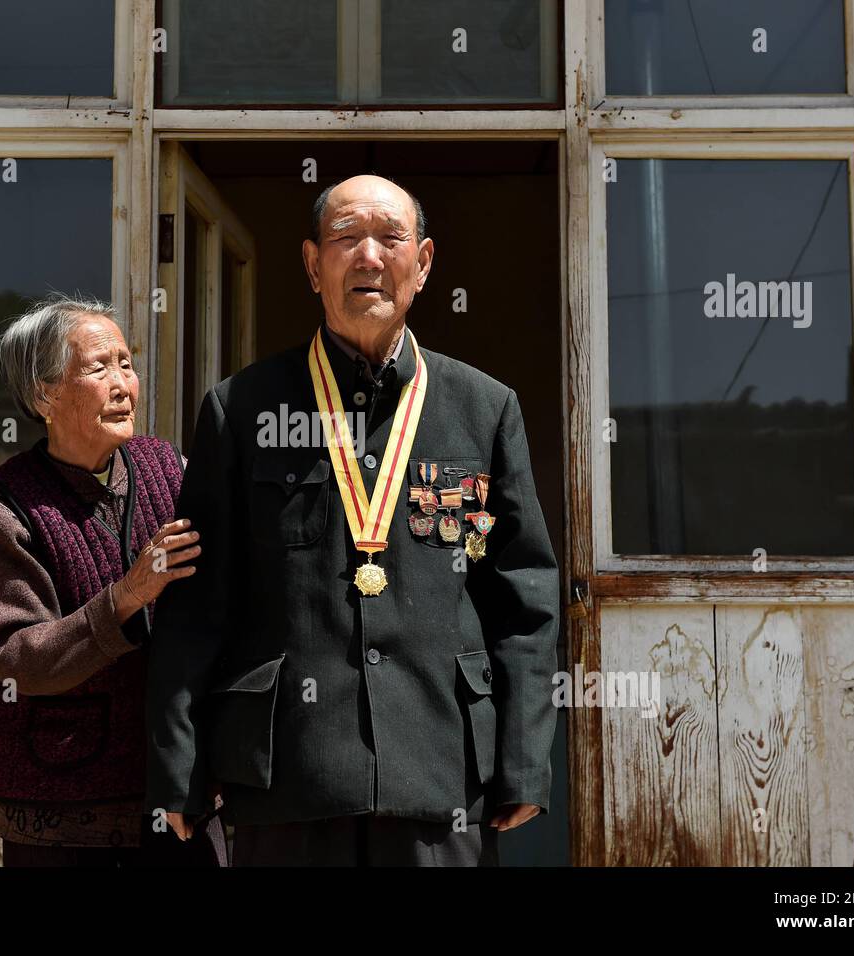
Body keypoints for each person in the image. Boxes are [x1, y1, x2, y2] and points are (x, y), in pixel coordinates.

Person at [145, 175, 560, 866]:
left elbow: (523, 601)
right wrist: (179, 769)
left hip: (442, 770)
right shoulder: (242, 410)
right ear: (313, 264)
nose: (369, 256)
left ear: (423, 264)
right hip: (289, 775)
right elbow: (197, 604)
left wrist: (522, 761)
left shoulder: (483, 410)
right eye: (345, 238)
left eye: (391, 238)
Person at [0, 295, 225, 867]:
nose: (122, 383)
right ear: (44, 396)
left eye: (126, 364)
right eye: (98, 367)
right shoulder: (5, 511)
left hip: (179, 789)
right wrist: (128, 595)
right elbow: (18, 657)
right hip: (62, 811)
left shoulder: (170, 469)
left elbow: (219, 610)